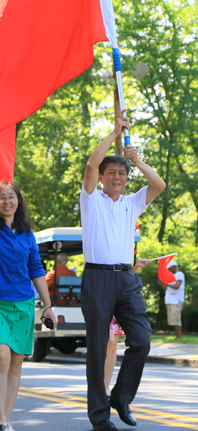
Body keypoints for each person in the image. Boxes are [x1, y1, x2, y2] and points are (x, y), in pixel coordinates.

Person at [80, 110, 166, 431]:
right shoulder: (91, 200)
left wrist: (137, 161)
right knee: (98, 348)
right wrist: (115, 131)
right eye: (111, 172)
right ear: (102, 178)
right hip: (97, 278)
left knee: (141, 340)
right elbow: (90, 164)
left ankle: (121, 397)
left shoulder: (132, 202)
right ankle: (99, 418)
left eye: (122, 173)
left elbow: (159, 184)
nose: (117, 177)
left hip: (126, 279)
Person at [0, 174, 57, 431]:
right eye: (1, 197)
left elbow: (36, 269)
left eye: (11, 196)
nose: (7, 201)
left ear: (18, 201)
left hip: (23, 304)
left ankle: (5, 422)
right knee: (1, 356)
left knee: (16, 363)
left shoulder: (28, 235)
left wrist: (47, 305)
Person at [104, 259, 151, 396]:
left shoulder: (122, 260)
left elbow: (128, 281)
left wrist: (136, 266)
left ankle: (106, 385)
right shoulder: (102, 258)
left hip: (119, 306)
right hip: (104, 305)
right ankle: (100, 383)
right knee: (109, 341)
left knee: (113, 346)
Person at [158, 260, 185, 339]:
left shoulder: (179, 274)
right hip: (171, 300)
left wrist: (166, 284)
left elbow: (177, 286)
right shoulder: (171, 275)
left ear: (174, 267)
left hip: (176, 300)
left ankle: (179, 336)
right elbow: (167, 286)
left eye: (169, 268)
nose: (168, 270)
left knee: (176, 318)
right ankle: (177, 335)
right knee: (172, 319)